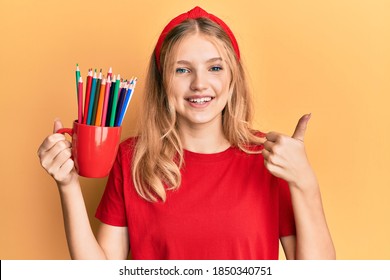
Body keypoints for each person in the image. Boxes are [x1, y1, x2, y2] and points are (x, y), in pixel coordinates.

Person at [37, 6, 335, 260]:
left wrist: (304, 181)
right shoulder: (131, 160)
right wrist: (68, 186)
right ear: (163, 82)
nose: (199, 84)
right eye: (182, 70)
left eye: (215, 68)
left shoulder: (270, 160)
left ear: (233, 79)